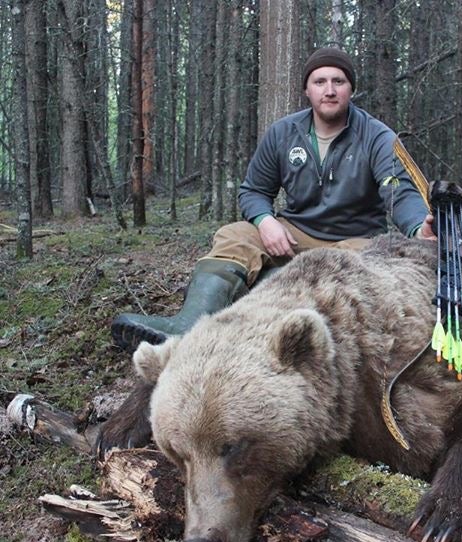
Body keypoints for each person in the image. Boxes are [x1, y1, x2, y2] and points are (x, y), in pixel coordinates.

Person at [112, 47, 435, 352]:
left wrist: (418, 228)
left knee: (340, 271)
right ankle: (186, 327)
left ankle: (269, 334)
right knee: (235, 236)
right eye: (319, 81)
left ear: (351, 89)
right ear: (307, 90)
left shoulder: (376, 136)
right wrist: (265, 222)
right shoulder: (283, 133)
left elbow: (399, 189)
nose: (330, 90)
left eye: (339, 81)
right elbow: (253, 190)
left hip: (355, 239)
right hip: (296, 231)